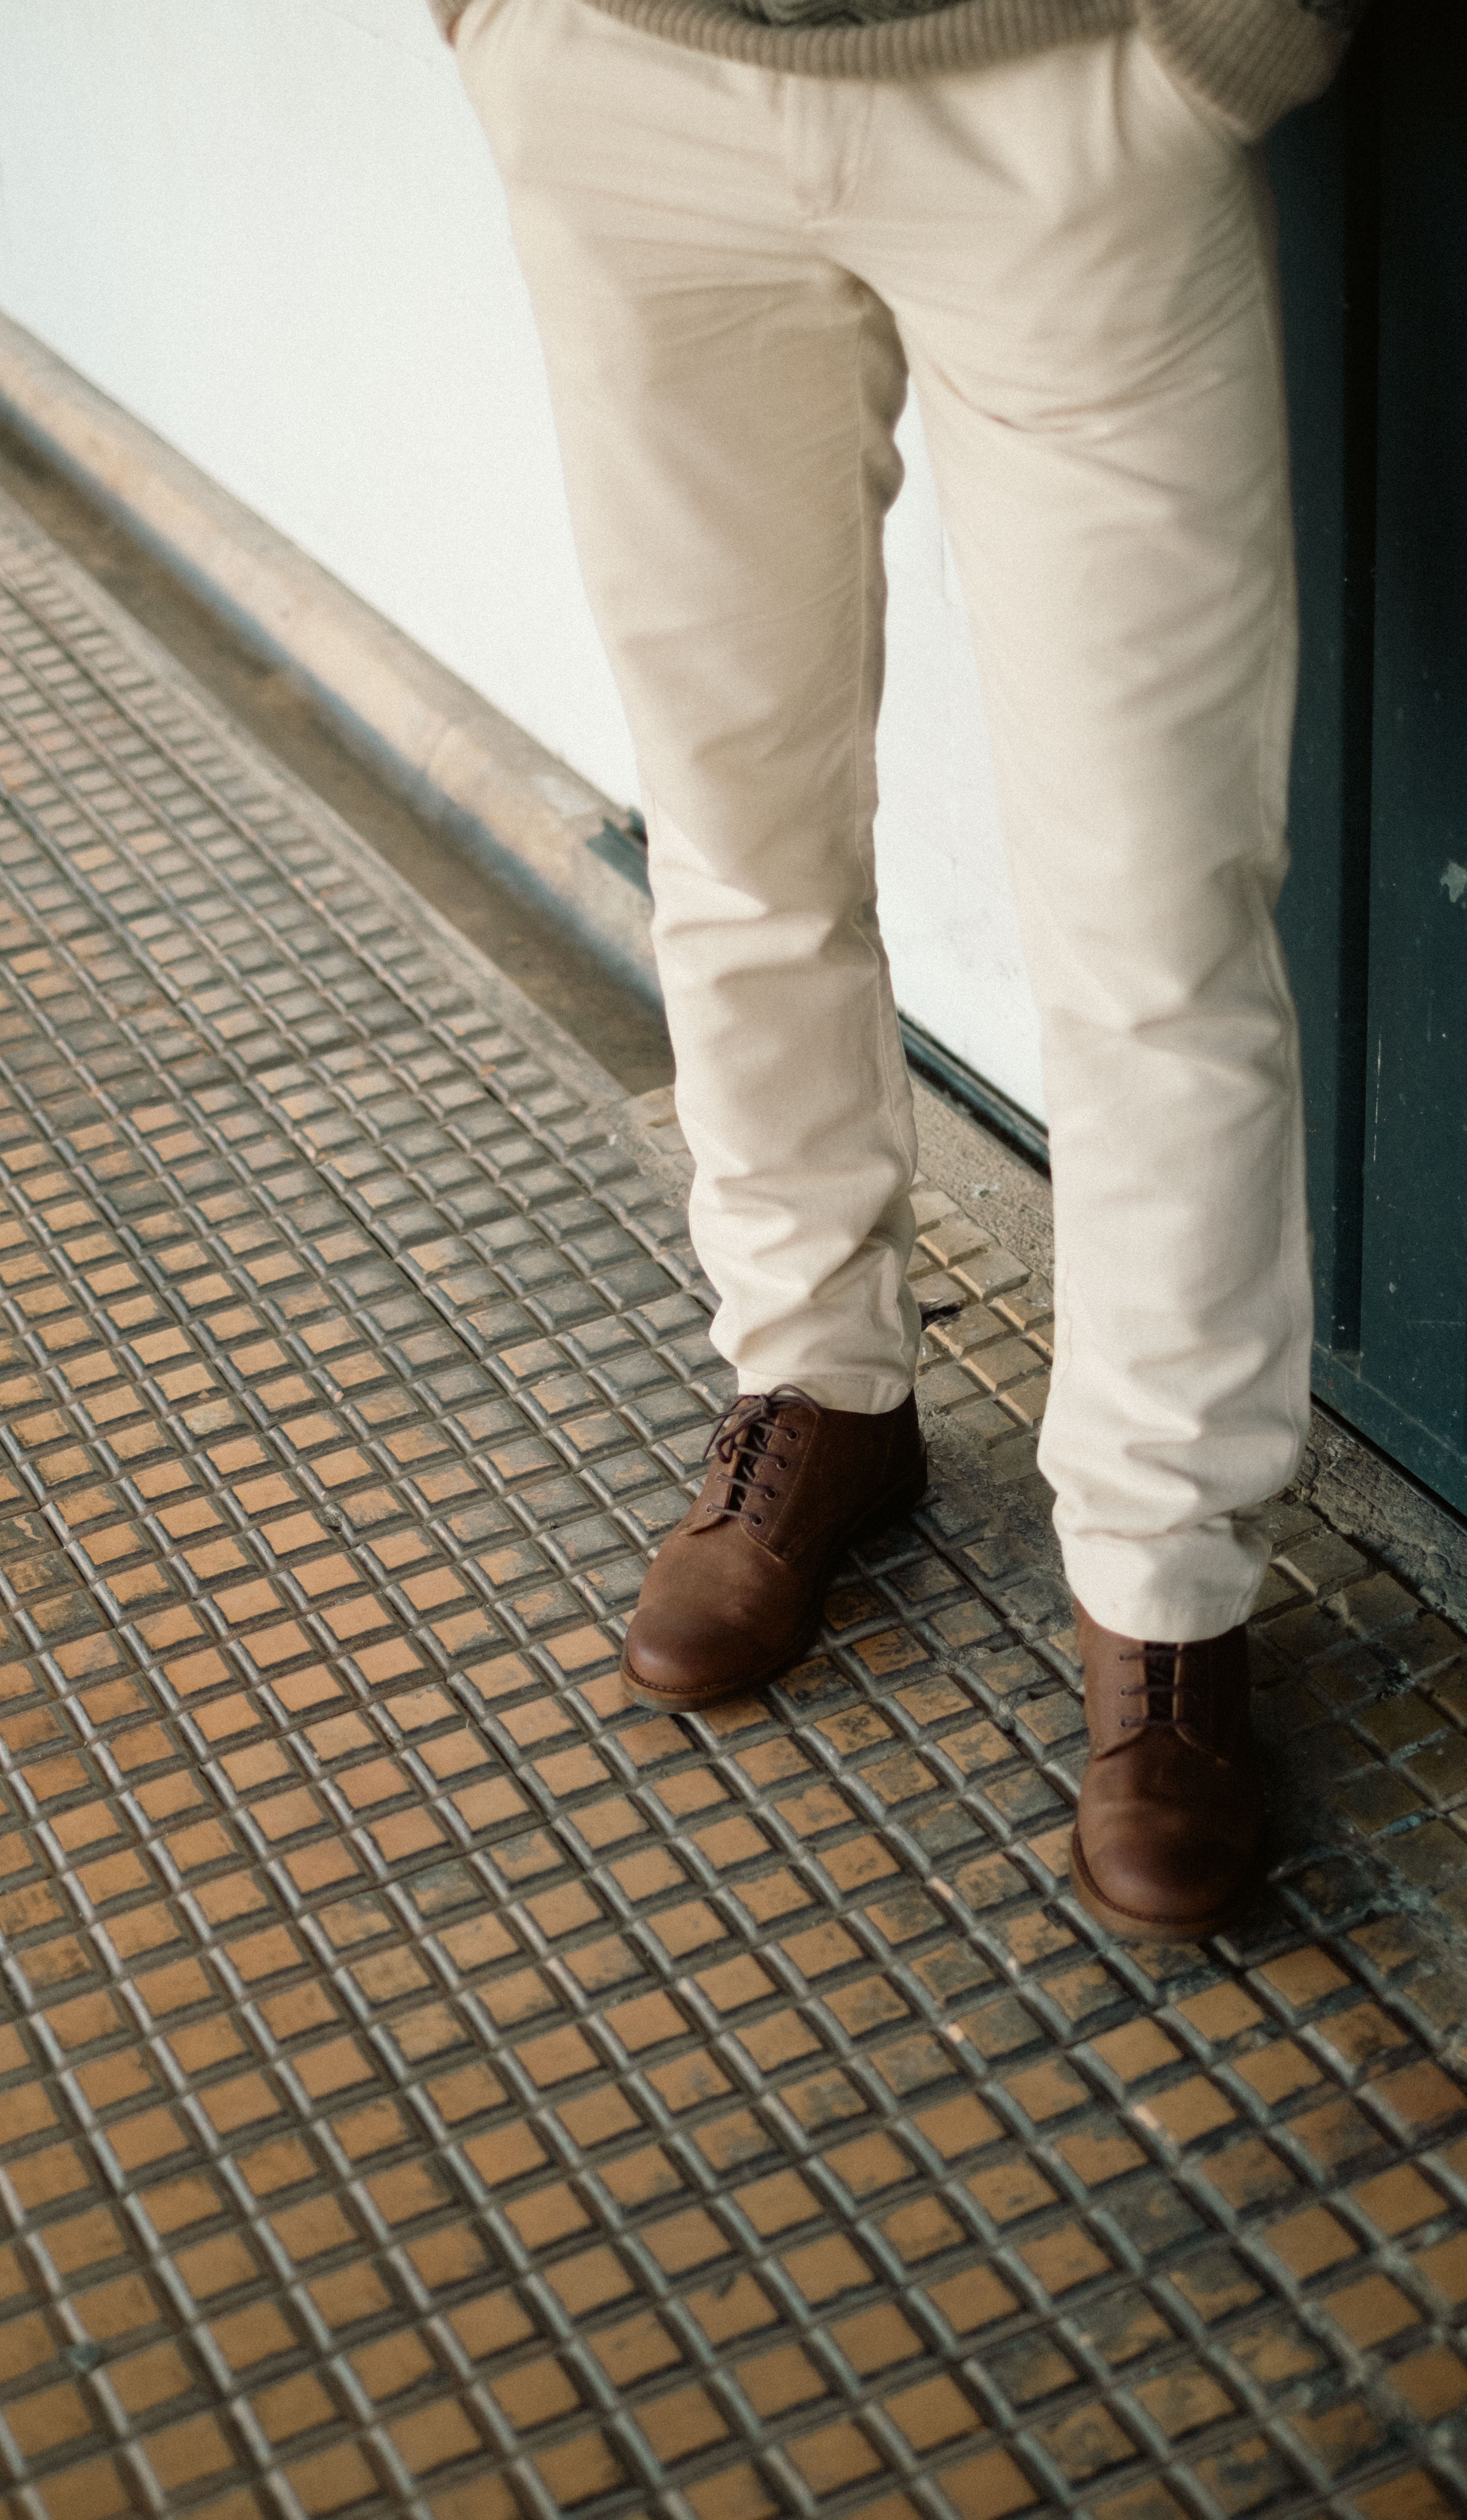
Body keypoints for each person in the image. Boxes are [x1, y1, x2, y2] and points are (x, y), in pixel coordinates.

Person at [443, 0, 1366, 1942]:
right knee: (732, 818)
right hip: (624, 78)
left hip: (1062, 86)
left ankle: (1162, 1582)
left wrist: (1227, 37)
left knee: (1152, 908)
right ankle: (815, 1378)